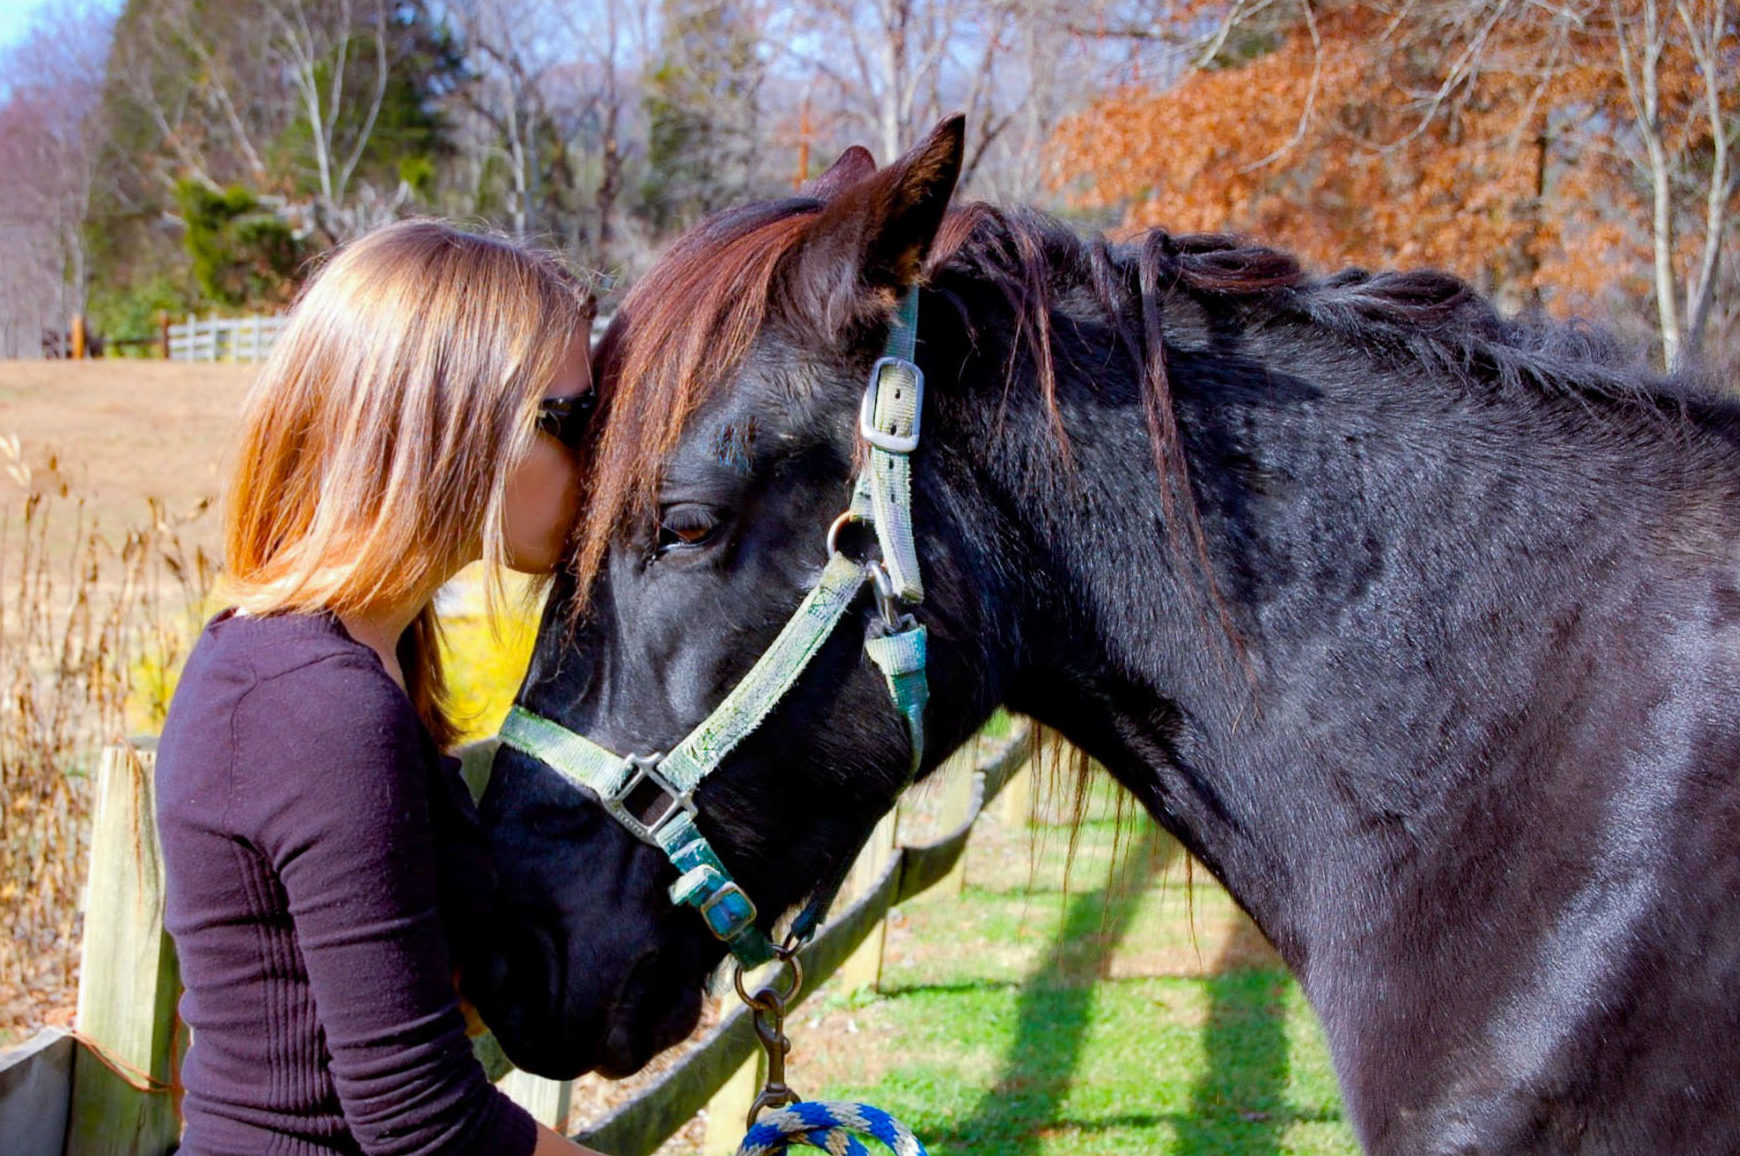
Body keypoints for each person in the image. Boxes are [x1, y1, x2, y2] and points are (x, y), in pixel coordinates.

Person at [155, 220, 606, 1156]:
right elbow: (422, 1125)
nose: (599, 465)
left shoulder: (359, 657)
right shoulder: (316, 704)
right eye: (576, 423)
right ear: (454, 423)